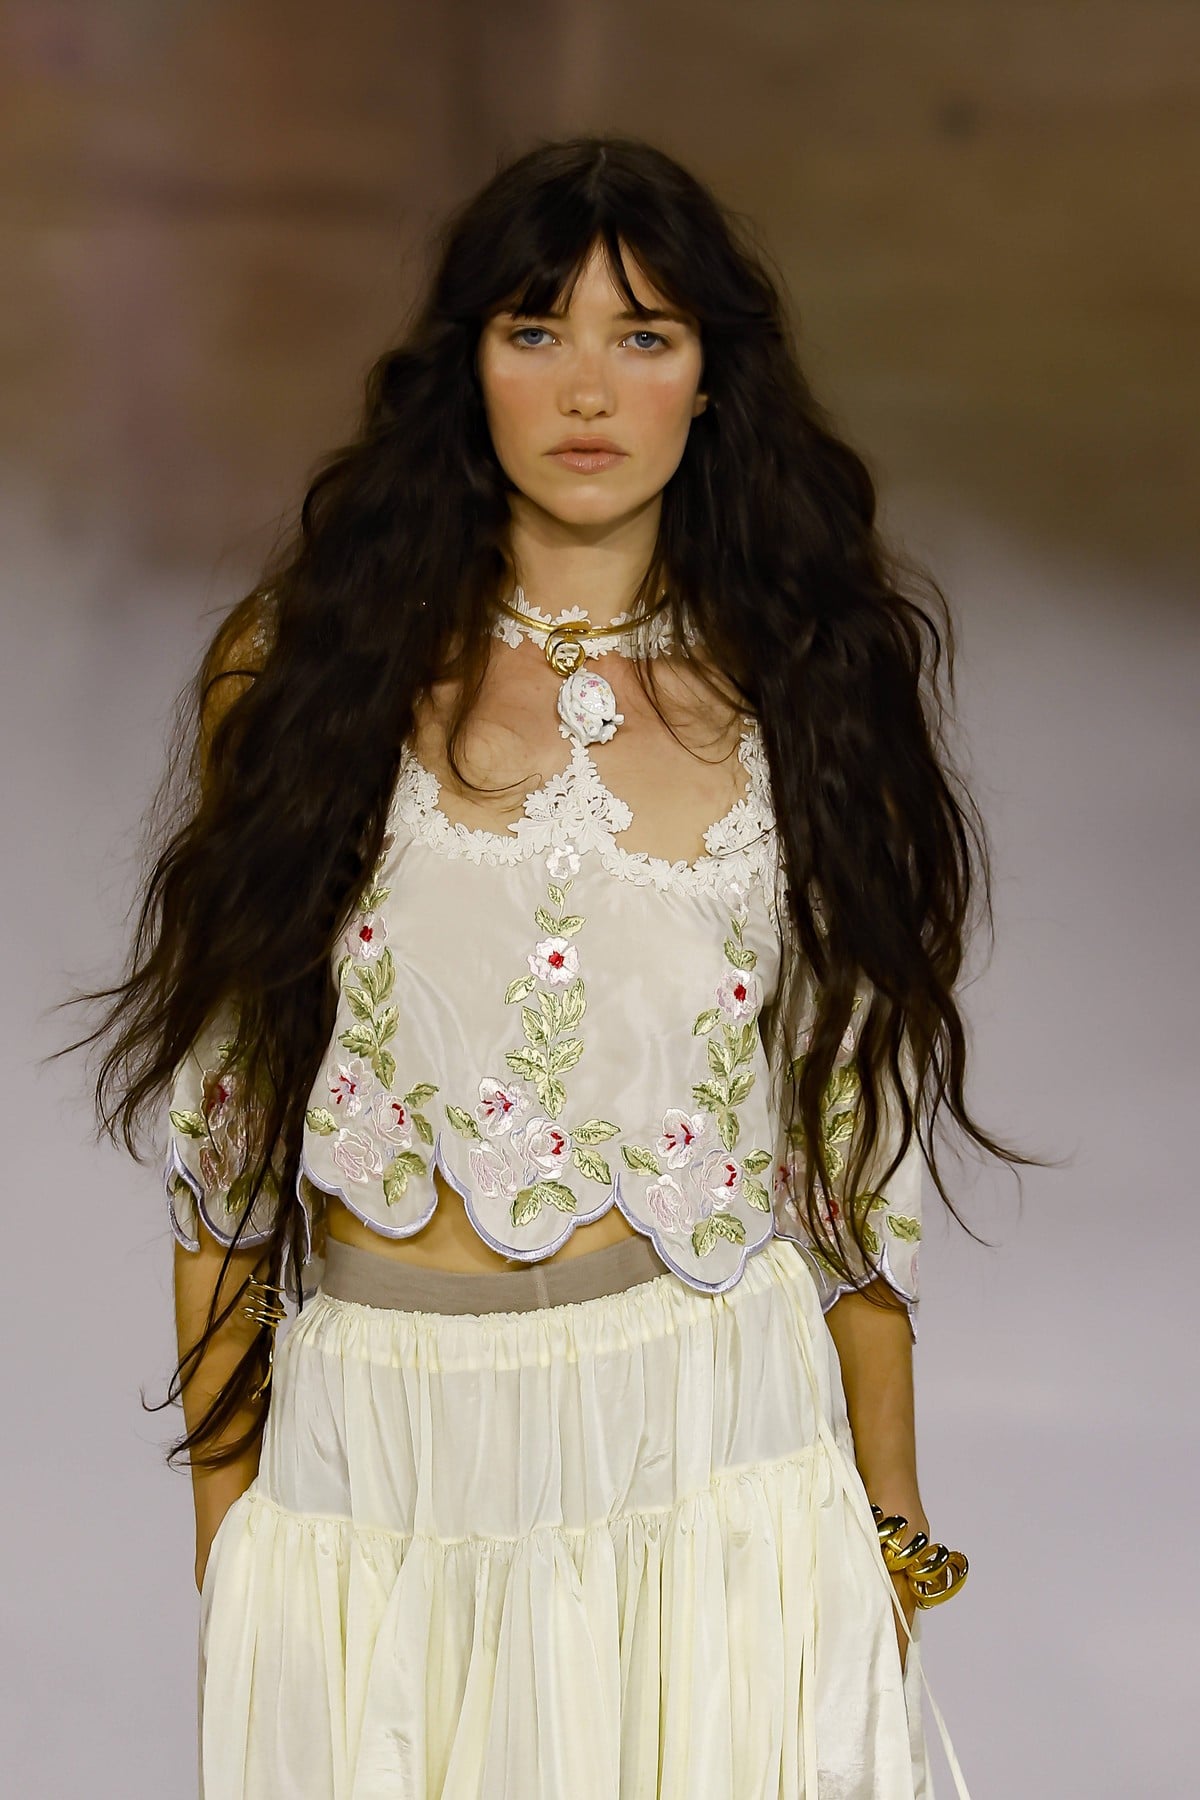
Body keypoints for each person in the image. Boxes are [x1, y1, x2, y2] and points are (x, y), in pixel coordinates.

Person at [76, 134, 1031, 1798]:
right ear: (470, 368)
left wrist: (891, 1531)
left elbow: (848, 1163)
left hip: (714, 1457)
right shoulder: (303, 677)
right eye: (538, 330)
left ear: (711, 380)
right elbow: (225, 1148)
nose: (589, 388)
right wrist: (232, 1541)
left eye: (643, 335)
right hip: (380, 1459)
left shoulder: (809, 696)